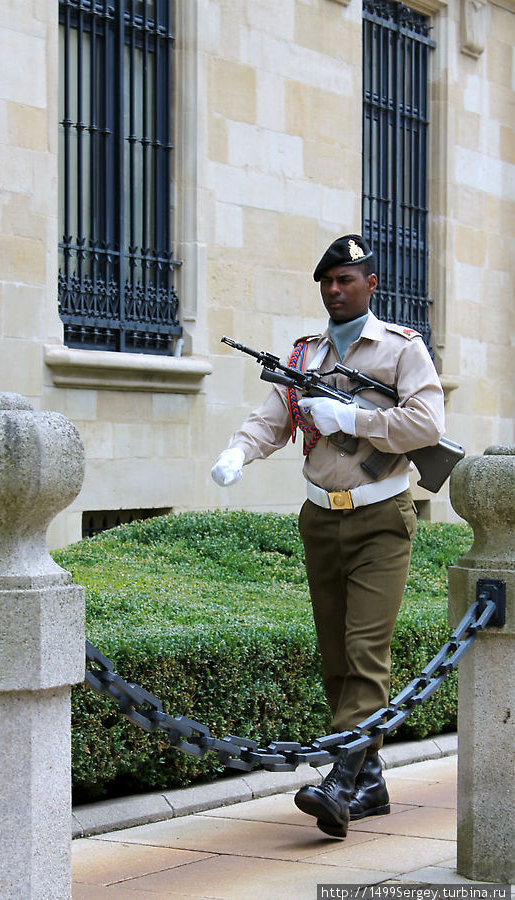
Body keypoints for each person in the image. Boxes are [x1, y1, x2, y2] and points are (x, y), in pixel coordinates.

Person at [211, 234, 445, 839]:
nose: (336, 291)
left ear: (371, 284)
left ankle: (340, 778)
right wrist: (238, 452)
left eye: (347, 279)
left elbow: (426, 421)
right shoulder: (306, 355)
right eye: (328, 282)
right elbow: (275, 415)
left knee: (366, 651)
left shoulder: (401, 348)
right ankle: (371, 782)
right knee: (337, 657)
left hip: (381, 517)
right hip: (320, 518)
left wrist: (353, 419)